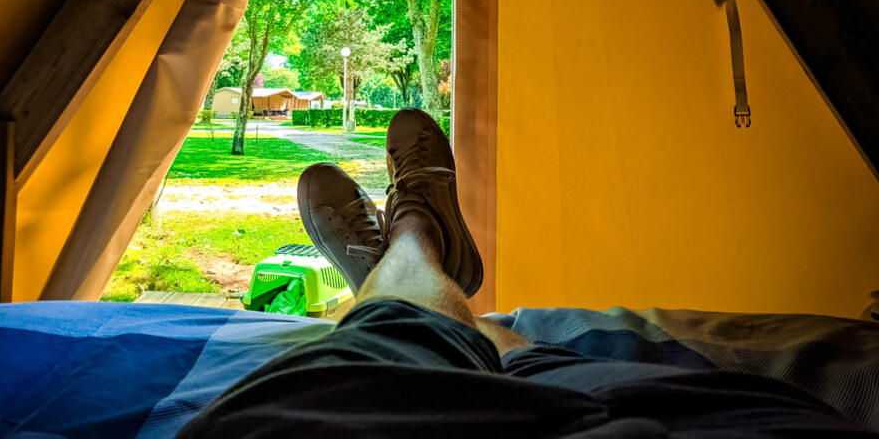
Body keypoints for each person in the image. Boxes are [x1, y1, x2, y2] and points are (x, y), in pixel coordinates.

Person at [179, 109, 872, 437]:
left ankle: (406, 249)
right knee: (524, 360)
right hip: (719, 426)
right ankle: (415, 238)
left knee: (364, 369)